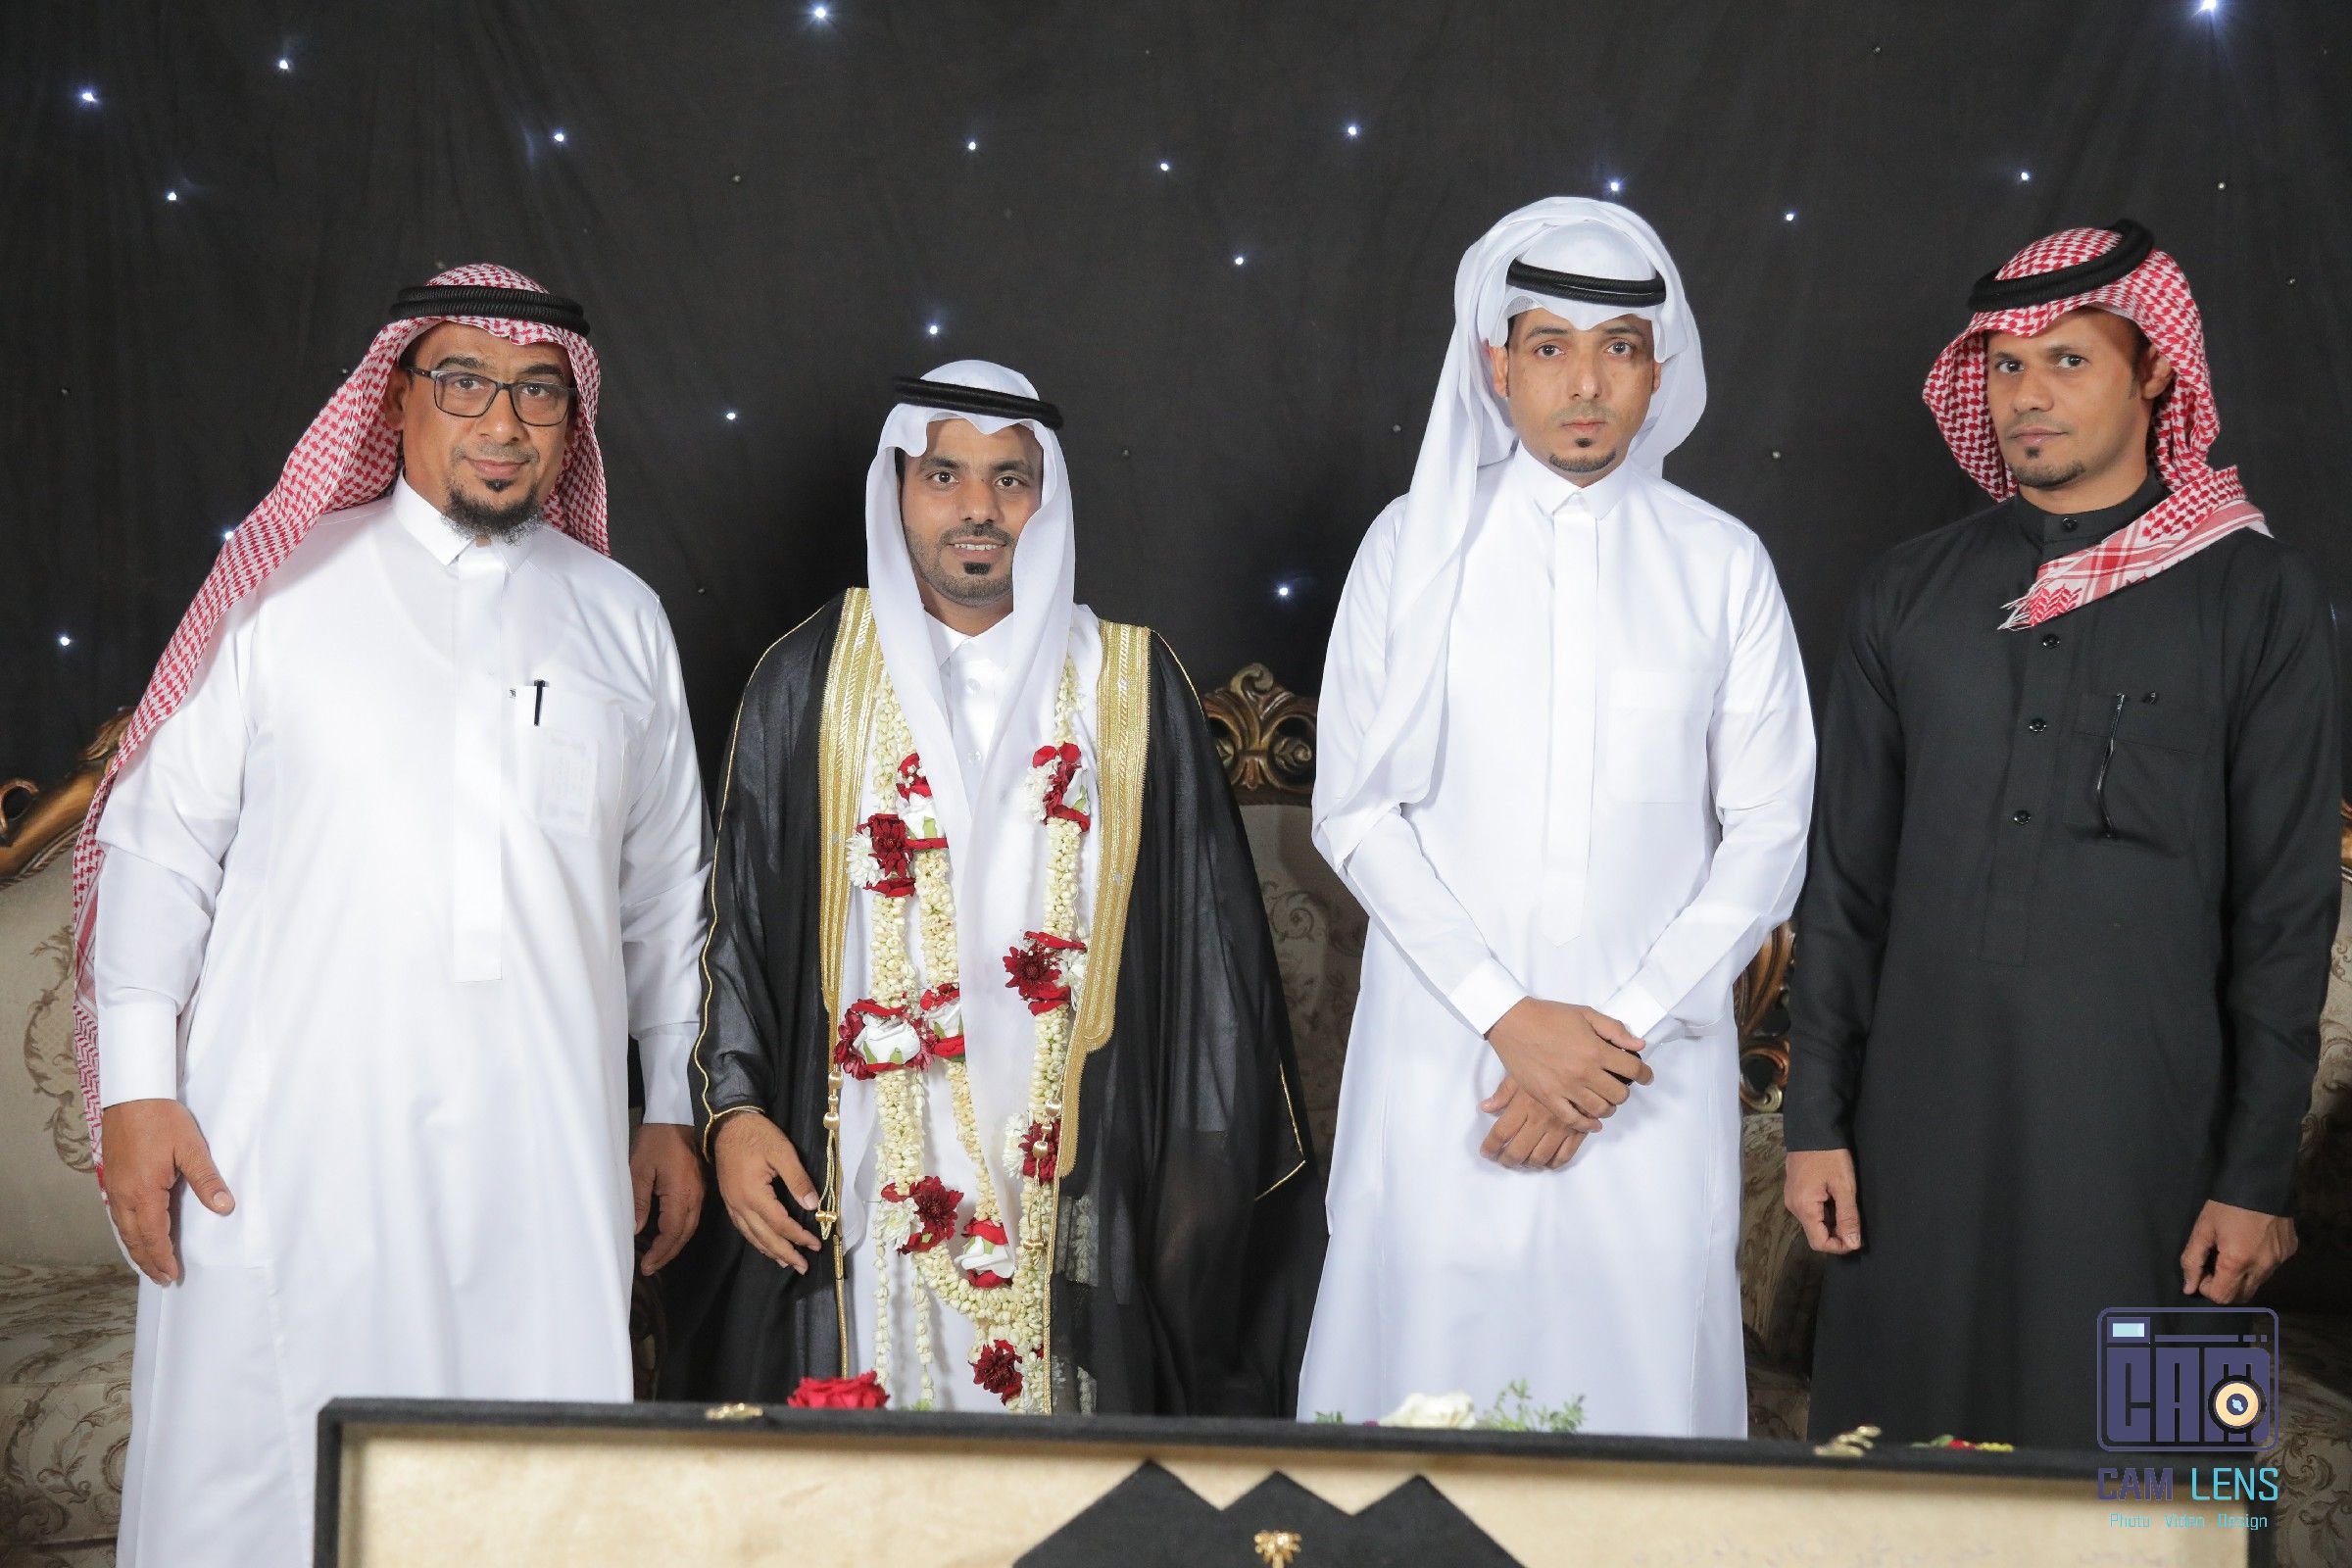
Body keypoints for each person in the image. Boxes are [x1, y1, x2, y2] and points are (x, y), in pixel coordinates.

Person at [74, 266, 711, 1566]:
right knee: (263, 1488)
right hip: (291, 1147)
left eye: (538, 392)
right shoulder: (281, 593)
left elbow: (665, 892)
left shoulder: (622, 622)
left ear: (573, 419)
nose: (503, 421)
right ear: (396, 399)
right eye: (464, 381)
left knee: (526, 1489)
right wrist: (136, 1093)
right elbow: (157, 847)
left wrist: (666, 1108)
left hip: (541, 1150)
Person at [658, 362, 1322, 1415]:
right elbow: (734, 924)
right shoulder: (810, 678)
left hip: (1078, 1185)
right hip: (866, 1181)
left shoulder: (1129, 686)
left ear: (1047, 497)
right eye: (945, 476)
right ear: (898, 491)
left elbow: (1214, 970)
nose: (979, 507)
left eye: (1010, 479)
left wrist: (1185, 1207)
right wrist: (733, 1113)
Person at [1785, 221, 2339, 1446]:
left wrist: (2255, 1178)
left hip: (2152, 1151)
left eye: (2068, 361)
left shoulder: (2261, 596)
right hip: (1912, 1145)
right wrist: (1816, 1120)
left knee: (2168, 1496)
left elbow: (2288, 911)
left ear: (2156, 371)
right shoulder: (1907, 593)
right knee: (1890, 1494)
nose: (2028, 395)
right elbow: (1846, 884)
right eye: (2006, 366)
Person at [1299, 200, 1815, 1433]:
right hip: (1448, 1063)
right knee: (1420, 1404)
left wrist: (1608, 1044)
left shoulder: (1723, 563)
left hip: (1648, 1081)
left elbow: (1769, 836)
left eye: (1618, 348)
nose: (1585, 383)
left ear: (1658, 368)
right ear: (1497, 365)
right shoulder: (1409, 547)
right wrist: (1509, 1017)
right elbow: (1356, 813)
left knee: (1641, 1413)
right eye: (1549, 347)